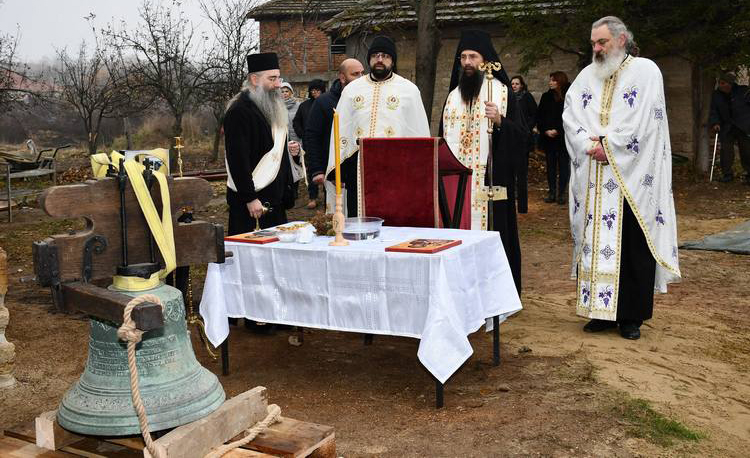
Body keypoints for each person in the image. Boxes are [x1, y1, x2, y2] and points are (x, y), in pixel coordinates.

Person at [563, 16, 681, 340]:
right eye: (593, 44)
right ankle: (599, 313)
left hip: (632, 177)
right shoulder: (587, 76)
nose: (597, 49)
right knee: (595, 242)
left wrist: (609, 146)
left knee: (632, 244)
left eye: (602, 42)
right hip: (595, 179)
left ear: (622, 39)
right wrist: (589, 144)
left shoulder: (646, 72)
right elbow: (571, 114)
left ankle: (631, 316)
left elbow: (646, 122)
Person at [441, 29, 528, 293]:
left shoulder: (501, 93)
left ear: (485, 60)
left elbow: (523, 138)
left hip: (492, 183)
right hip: (457, 186)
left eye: (473, 56)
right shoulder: (452, 98)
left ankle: (497, 293)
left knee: (495, 233)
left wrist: (501, 121)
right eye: (463, 57)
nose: (467, 62)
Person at [327, 36, 430, 216]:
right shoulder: (352, 90)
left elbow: (418, 129)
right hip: (358, 167)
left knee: (393, 216)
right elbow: (342, 128)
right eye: (375, 55)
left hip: (397, 167)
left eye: (385, 56)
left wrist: (418, 170)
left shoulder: (409, 90)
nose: (380, 60)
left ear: (393, 60)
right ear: (369, 60)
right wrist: (339, 168)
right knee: (358, 217)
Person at [223, 52, 299, 235]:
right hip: (252, 204)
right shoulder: (239, 111)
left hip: (275, 201)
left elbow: (271, 149)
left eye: (278, 79)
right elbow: (237, 159)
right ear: (255, 79)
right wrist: (250, 198)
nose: (278, 85)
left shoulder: (270, 107)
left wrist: (292, 152)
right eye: (272, 79)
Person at [305, 59, 364, 213]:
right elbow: (312, 136)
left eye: (362, 73)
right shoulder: (324, 102)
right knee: (339, 218)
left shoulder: (366, 101)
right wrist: (317, 169)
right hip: (336, 173)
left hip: (362, 171)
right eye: (355, 74)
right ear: (342, 77)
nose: (360, 77)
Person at [708, 73, 750, 184]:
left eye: (723, 83)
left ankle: (749, 174)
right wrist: (715, 122)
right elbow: (714, 110)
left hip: (743, 125)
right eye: (720, 83)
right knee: (726, 152)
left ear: (730, 84)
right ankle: (727, 174)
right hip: (727, 126)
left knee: (746, 151)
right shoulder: (717, 95)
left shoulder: (743, 92)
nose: (721, 86)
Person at [537, 71, 571, 204]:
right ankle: (552, 192)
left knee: (563, 165)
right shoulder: (546, 97)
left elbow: (569, 116)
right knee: (550, 166)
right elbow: (540, 115)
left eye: (553, 80)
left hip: (562, 138)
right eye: (550, 80)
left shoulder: (568, 96)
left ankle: (562, 193)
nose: (550, 82)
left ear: (560, 81)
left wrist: (558, 130)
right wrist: (545, 130)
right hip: (548, 138)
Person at [293, 79, 327, 208]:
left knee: (326, 171)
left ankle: (327, 198)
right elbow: (296, 122)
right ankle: (312, 197)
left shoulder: (326, 103)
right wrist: (303, 134)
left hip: (325, 145)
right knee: (311, 170)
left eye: (317, 90)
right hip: (309, 144)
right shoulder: (304, 106)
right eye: (313, 90)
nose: (315, 93)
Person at [511, 75, 537, 211]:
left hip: (524, 137)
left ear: (522, 85)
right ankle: (513, 191)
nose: (514, 86)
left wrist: (526, 128)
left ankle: (522, 198)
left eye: (517, 83)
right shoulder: (509, 98)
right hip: (511, 137)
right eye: (513, 84)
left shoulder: (527, 97)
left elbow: (534, 114)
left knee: (522, 168)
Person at [280, 81, 304, 190]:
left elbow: (301, 121)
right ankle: (286, 188)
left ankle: (295, 189)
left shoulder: (298, 105)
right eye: (282, 91)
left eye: (286, 91)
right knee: (284, 165)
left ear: (291, 92)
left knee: (295, 164)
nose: (284, 93)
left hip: (295, 139)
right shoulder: (276, 106)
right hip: (281, 141)